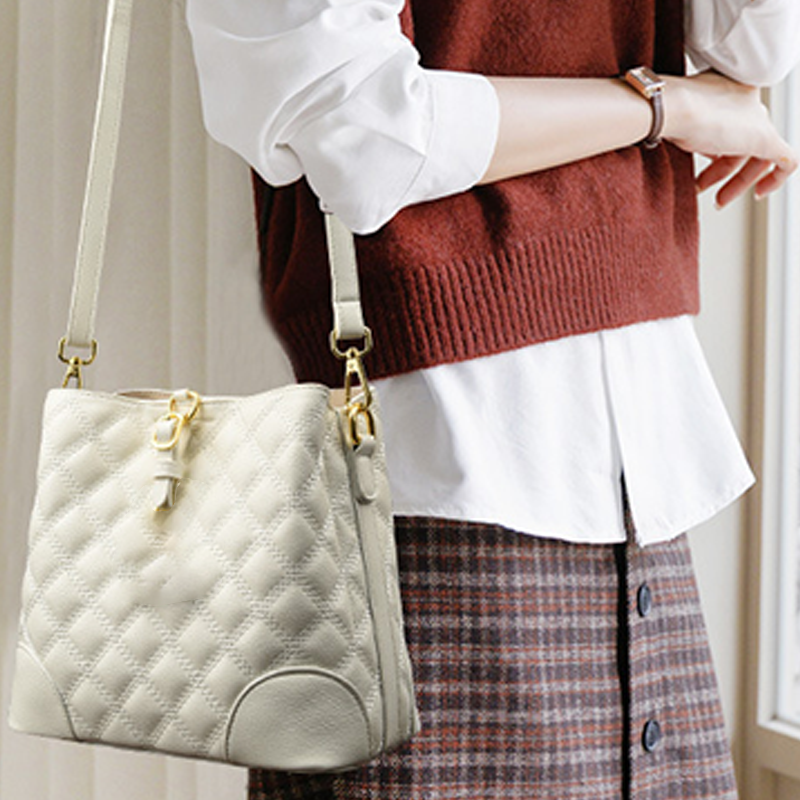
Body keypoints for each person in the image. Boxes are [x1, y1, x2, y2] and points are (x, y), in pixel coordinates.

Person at [185, 0, 800, 797]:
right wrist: (662, 106)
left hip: (643, 476)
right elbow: (358, 129)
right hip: (441, 472)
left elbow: (754, 50)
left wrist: (677, 103)